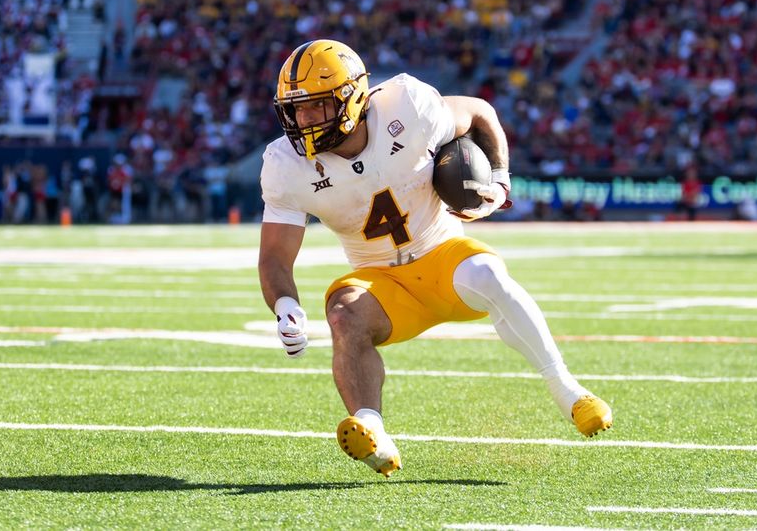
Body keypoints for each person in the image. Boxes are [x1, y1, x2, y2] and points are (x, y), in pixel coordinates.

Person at [258, 39, 612, 478]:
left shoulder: (406, 106)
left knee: (487, 273)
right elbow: (274, 256)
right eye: (295, 109)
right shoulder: (285, 164)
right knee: (343, 313)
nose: (303, 121)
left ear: (351, 98)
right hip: (381, 281)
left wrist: (500, 183)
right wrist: (285, 305)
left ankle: (568, 390)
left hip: (442, 255)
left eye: (315, 107)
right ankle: (371, 428)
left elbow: (480, 111)